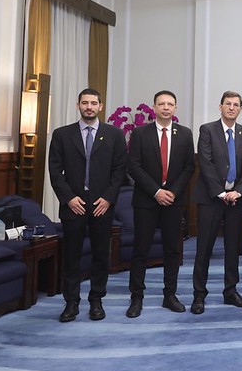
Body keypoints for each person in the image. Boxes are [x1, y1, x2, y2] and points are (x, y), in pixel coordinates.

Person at [49, 88, 127, 322]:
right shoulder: (62, 134)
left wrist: (109, 198)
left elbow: (119, 170)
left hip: (102, 204)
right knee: (71, 255)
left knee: (101, 254)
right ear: (78, 106)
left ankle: (96, 301)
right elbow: (55, 171)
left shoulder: (114, 134)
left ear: (100, 106)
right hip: (74, 204)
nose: (89, 107)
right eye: (85, 103)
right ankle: (71, 302)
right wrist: (69, 198)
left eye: (94, 103)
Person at [125, 90, 196, 318]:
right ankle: (137, 297)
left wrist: (172, 192)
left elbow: (189, 167)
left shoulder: (184, 134)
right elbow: (133, 166)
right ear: (154, 107)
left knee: (172, 250)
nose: (166, 107)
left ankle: (169, 295)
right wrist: (156, 192)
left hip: (173, 201)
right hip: (146, 200)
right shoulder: (140, 133)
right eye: (162, 104)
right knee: (141, 250)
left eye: (170, 104)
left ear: (175, 108)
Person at [191, 91, 242, 314]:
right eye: (227, 104)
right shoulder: (207, 130)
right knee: (204, 248)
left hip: (236, 200)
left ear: (240, 109)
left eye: (236, 104)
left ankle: (230, 291)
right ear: (220, 107)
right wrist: (220, 192)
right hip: (211, 198)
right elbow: (205, 163)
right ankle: (199, 295)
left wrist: (238, 191)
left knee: (233, 248)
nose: (231, 107)